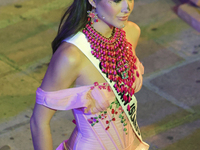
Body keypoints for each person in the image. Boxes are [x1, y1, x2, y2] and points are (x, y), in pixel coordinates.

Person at [30, 0, 149, 149]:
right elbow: (39, 122)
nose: (127, 7)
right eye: (117, 0)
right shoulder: (71, 56)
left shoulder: (131, 33)